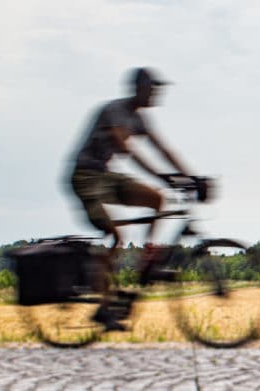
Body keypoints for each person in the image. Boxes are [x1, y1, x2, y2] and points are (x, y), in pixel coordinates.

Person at [68, 67, 192, 330]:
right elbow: (127, 150)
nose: (156, 94)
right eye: (153, 89)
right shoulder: (115, 111)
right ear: (140, 89)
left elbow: (163, 148)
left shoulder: (140, 119)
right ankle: (103, 307)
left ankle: (146, 259)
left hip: (105, 175)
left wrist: (191, 177)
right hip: (85, 177)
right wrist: (163, 176)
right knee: (115, 237)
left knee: (157, 200)